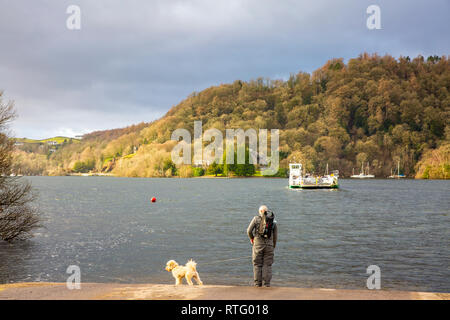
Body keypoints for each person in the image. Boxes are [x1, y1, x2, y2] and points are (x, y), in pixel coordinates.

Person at [246, 205, 278, 287]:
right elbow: (275, 236)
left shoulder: (256, 219)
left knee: (257, 264)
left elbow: (249, 231)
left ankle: (257, 284)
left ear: (260, 211)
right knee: (267, 265)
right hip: (269, 246)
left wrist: (252, 239)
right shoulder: (273, 221)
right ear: (267, 211)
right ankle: (267, 284)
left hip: (257, 245)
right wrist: (273, 246)